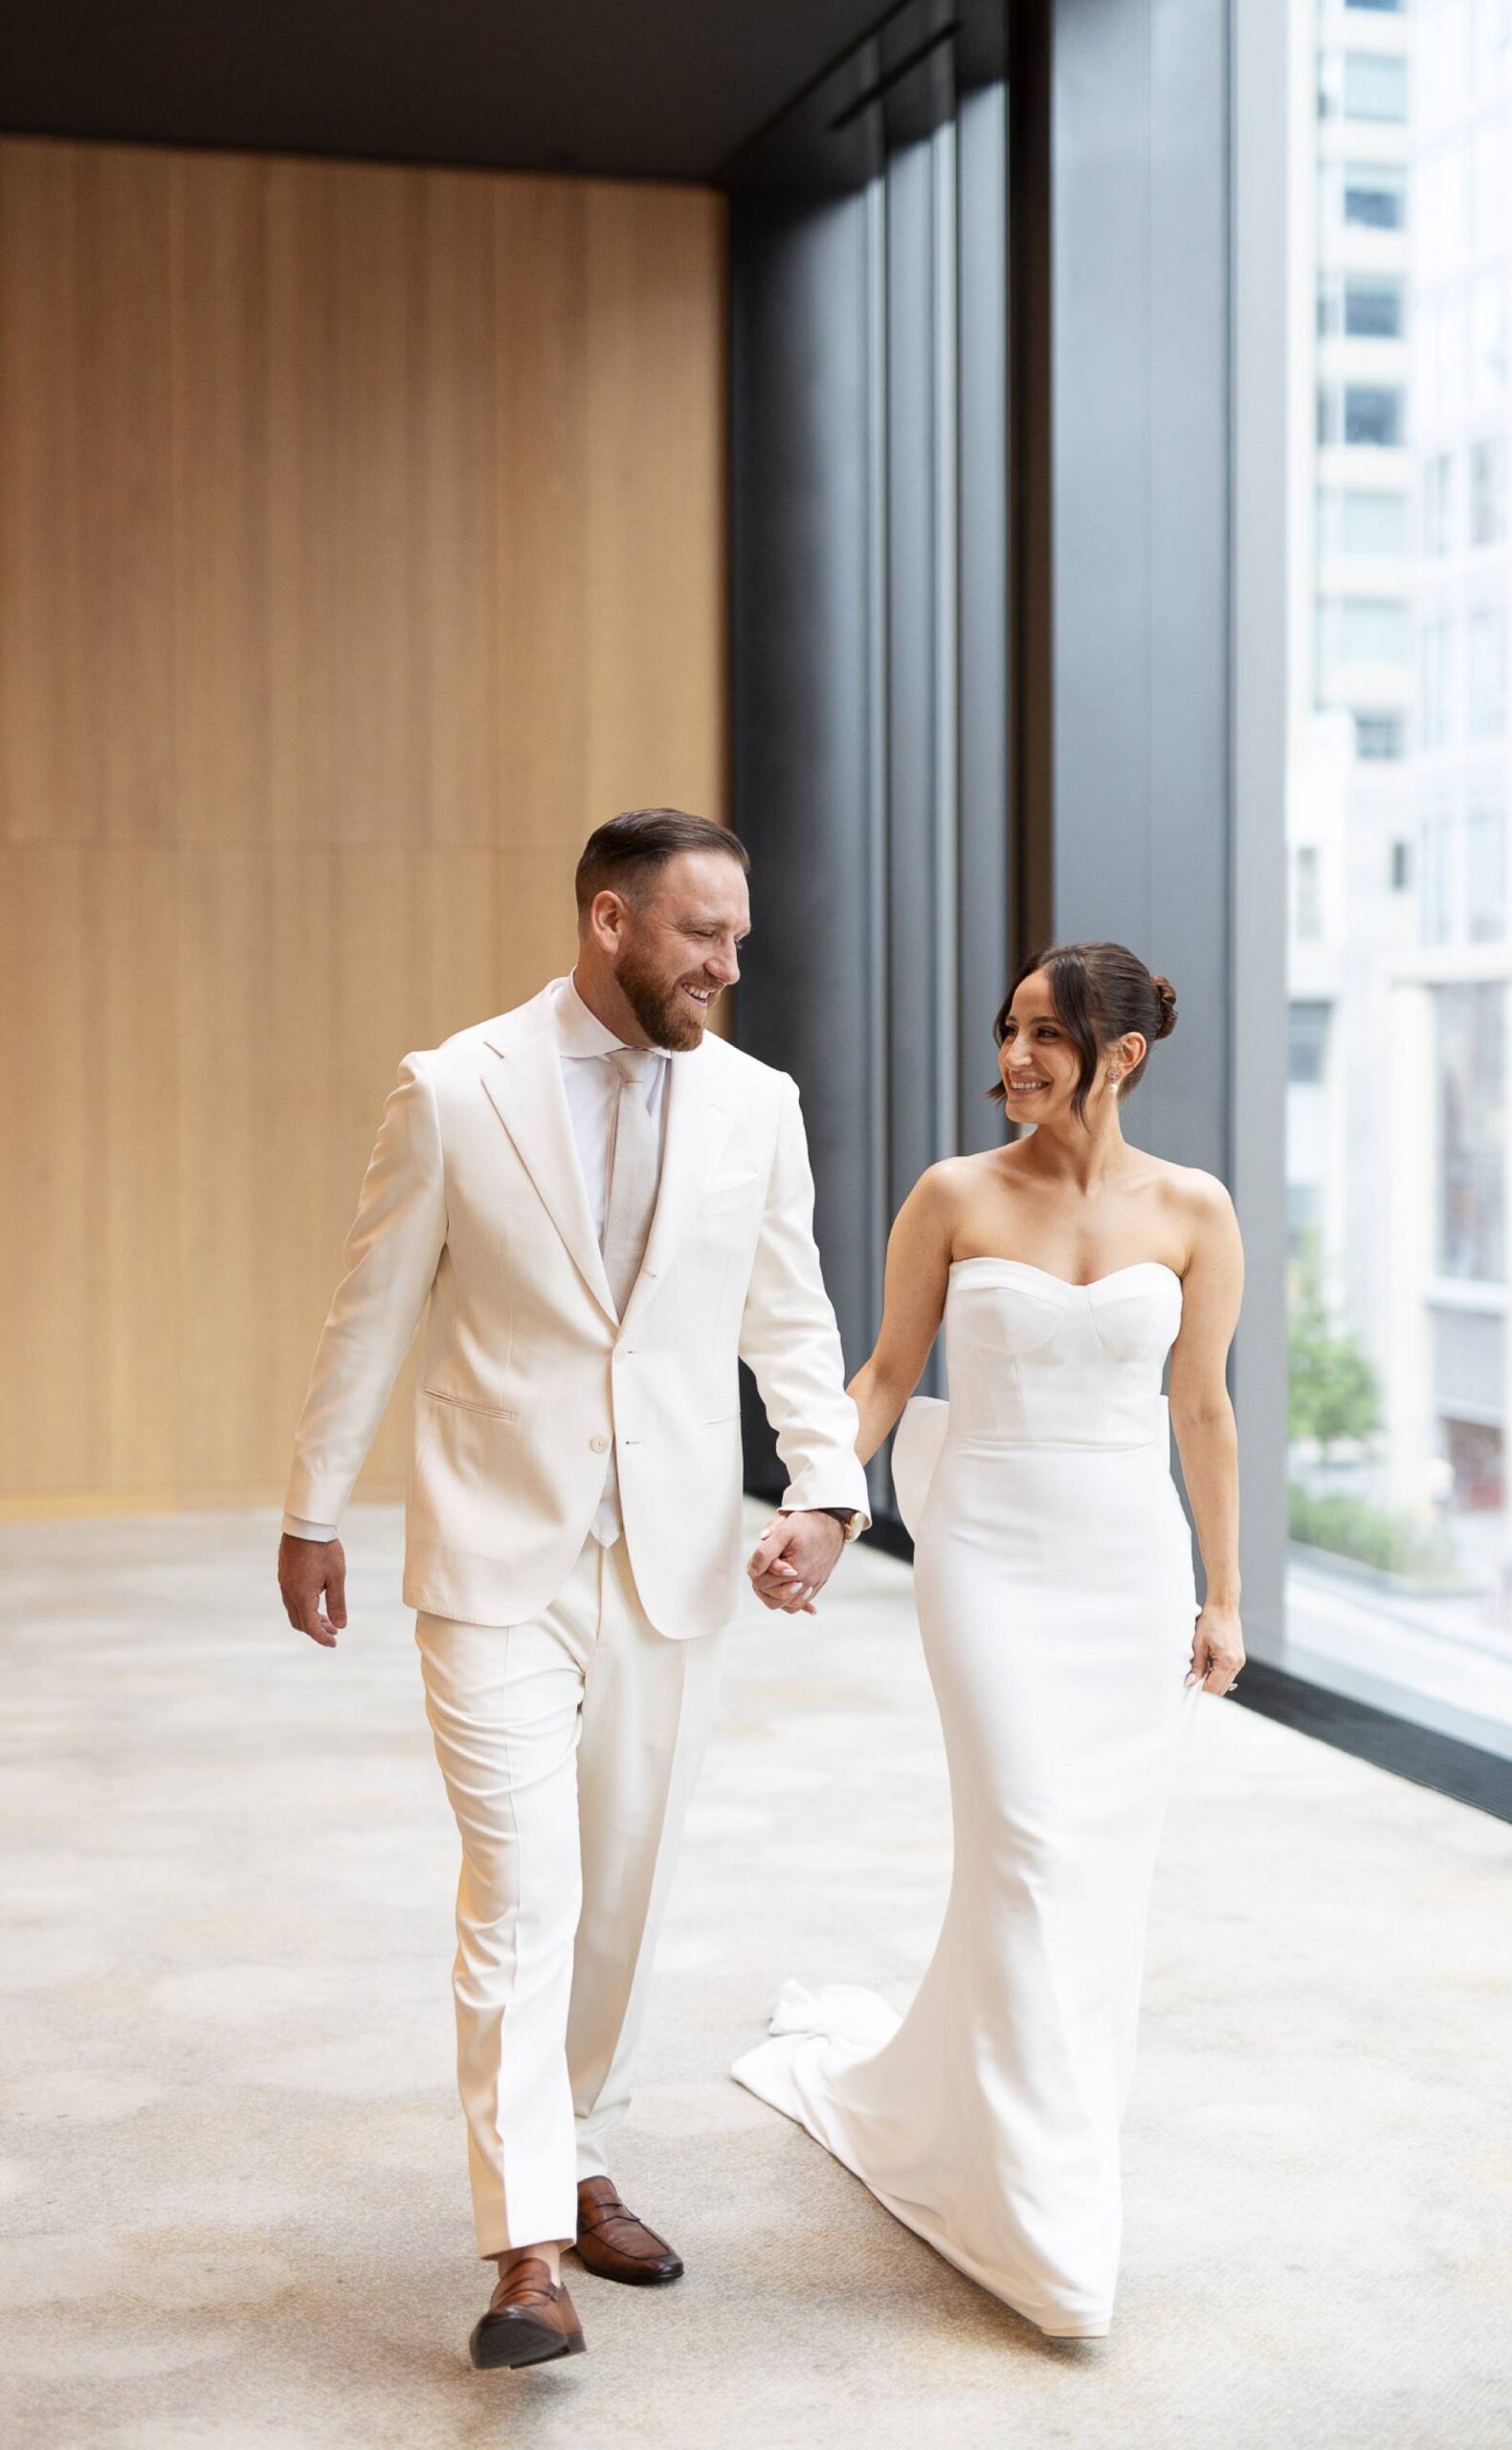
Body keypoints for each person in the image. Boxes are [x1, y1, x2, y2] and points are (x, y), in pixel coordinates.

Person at [277, 809, 869, 2371]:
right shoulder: (456, 1088)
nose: (730, 967)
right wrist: (311, 1507)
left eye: (740, 936)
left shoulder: (756, 1101)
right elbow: (370, 1310)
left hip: (673, 1552)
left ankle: (580, 2140)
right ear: (610, 922)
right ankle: (526, 2243)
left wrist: (823, 1486)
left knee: (626, 1886)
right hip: (494, 1553)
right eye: (702, 935)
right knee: (524, 1889)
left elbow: (789, 1316)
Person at [734, 940, 1245, 2340]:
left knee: (1093, 1882)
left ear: (1121, 1055)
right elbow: (888, 1373)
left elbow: (1202, 1409)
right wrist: (825, 1509)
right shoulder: (952, 1196)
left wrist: (1226, 1595)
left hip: (1130, 1567)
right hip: (991, 1561)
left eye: (1044, 1037)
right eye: (1010, 1031)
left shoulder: (1197, 1212)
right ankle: (1050, 2227)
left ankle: (1016, 2151)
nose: (1014, 1057)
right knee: (1024, 1842)